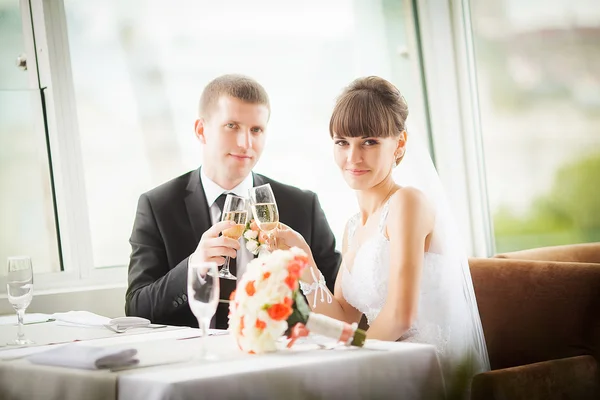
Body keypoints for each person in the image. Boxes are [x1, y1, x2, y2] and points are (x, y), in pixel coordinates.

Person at [271, 76, 490, 392]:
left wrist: (347, 361)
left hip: (425, 367)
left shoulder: (408, 202)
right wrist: (304, 260)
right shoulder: (351, 227)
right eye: (342, 142)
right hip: (383, 357)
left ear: (399, 144)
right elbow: (345, 318)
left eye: (369, 142)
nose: (353, 158)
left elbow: (401, 316)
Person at [125, 74, 341, 329]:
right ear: (201, 130)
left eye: (256, 130)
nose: (245, 143)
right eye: (232, 126)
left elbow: (339, 298)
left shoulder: (302, 205)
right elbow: (136, 308)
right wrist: (194, 266)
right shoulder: (158, 206)